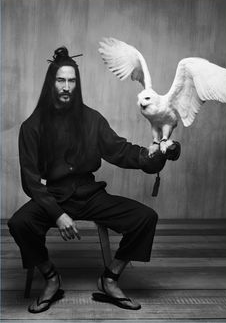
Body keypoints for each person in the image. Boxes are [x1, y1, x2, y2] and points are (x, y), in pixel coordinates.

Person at [8, 46, 181, 314]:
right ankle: (52, 278)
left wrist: (156, 154)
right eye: (61, 80)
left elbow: (120, 151)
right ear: (51, 83)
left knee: (145, 217)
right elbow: (30, 182)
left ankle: (109, 278)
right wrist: (57, 215)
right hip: (53, 197)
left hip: (89, 194)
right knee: (20, 223)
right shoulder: (32, 127)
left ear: (77, 85)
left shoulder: (92, 119)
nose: (67, 86)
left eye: (72, 81)